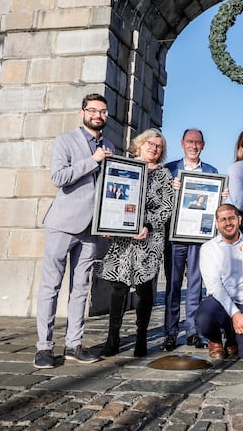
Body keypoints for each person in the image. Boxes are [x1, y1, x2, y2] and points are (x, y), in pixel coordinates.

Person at [34, 93, 116, 369]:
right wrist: (92, 161)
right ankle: (44, 348)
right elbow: (59, 178)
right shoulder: (65, 141)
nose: (98, 115)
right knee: (51, 286)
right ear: (82, 112)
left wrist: (110, 221)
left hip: (92, 228)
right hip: (63, 224)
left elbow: (110, 191)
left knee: (81, 289)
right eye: (93, 110)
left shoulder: (111, 145)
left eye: (103, 111)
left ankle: (74, 344)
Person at [97, 128, 174, 358]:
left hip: (149, 237)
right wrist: (108, 223)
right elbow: (109, 195)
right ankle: (113, 338)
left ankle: (141, 337)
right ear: (139, 144)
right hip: (123, 237)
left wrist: (148, 226)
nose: (154, 148)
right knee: (118, 287)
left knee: (143, 289)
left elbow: (166, 206)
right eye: (150, 143)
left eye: (159, 146)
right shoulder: (121, 167)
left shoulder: (164, 175)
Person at [161, 128, 218, 352]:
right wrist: (170, 189)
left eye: (198, 143)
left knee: (195, 286)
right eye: (190, 142)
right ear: (182, 143)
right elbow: (161, 200)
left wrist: (220, 195)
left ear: (203, 145)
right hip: (175, 236)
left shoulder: (212, 171)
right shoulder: (170, 170)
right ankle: (170, 332)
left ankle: (193, 332)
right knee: (173, 285)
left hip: (198, 237)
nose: (194, 146)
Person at [194, 203, 243, 363]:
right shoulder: (208, 248)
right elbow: (215, 287)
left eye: (232, 218)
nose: (228, 223)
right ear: (216, 223)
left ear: (239, 219)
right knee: (204, 319)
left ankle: (233, 336)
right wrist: (235, 314)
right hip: (220, 303)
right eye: (223, 220)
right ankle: (215, 339)